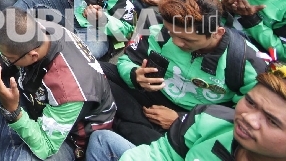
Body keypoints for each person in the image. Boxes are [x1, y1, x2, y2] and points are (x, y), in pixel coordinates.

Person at [103, 0, 265, 146]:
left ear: (218, 32)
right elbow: (126, 60)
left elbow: (246, 116)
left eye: (188, 40)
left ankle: (128, 124)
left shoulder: (246, 62)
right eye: (171, 33)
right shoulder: (155, 24)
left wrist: (183, 120)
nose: (176, 42)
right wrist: (134, 75)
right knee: (98, 70)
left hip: (194, 115)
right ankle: (132, 125)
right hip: (150, 94)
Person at [0, 8, 116, 161]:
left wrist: (13, 112)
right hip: (37, 96)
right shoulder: (39, 31)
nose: (5, 58)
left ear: (33, 56)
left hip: (69, 138)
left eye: (8, 57)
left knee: (16, 158)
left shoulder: (68, 90)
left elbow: (47, 145)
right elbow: (12, 62)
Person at [88, 63, 286, 161]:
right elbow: (162, 153)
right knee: (101, 139)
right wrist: (134, 73)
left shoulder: (238, 60)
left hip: (174, 115)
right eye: (250, 102)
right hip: (162, 106)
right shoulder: (209, 118)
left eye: (273, 121)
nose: (248, 119)